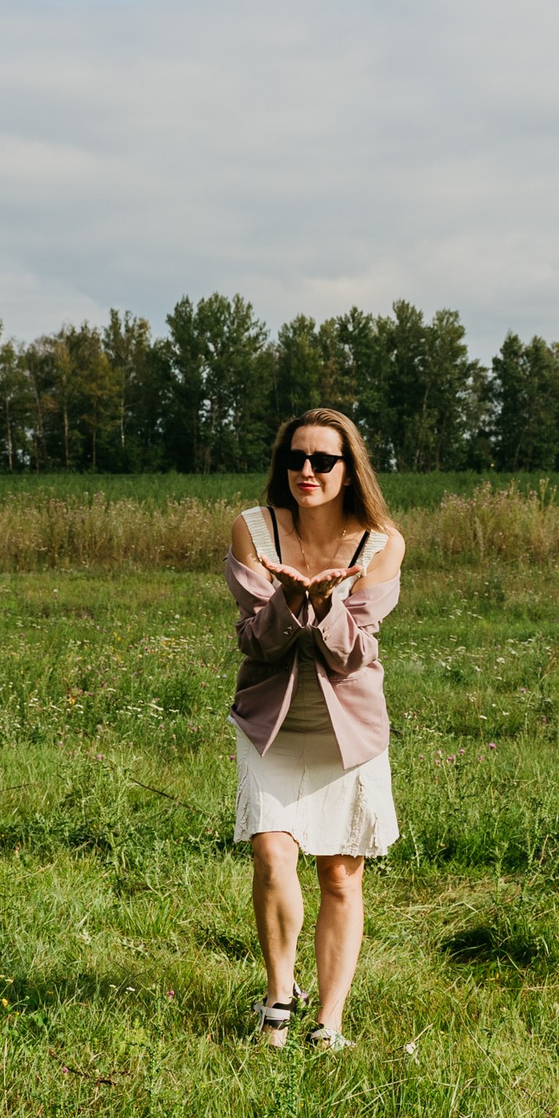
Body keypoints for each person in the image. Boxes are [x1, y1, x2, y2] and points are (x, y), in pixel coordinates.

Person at [225, 408, 408, 1050]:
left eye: (323, 460)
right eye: (295, 458)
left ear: (348, 470)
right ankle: (279, 999)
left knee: (339, 875)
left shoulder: (380, 544)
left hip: (347, 730)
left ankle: (329, 1022)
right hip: (271, 726)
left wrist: (326, 603)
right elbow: (255, 641)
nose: (307, 470)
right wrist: (288, 598)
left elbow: (354, 654)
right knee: (272, 854)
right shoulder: (254, 529)